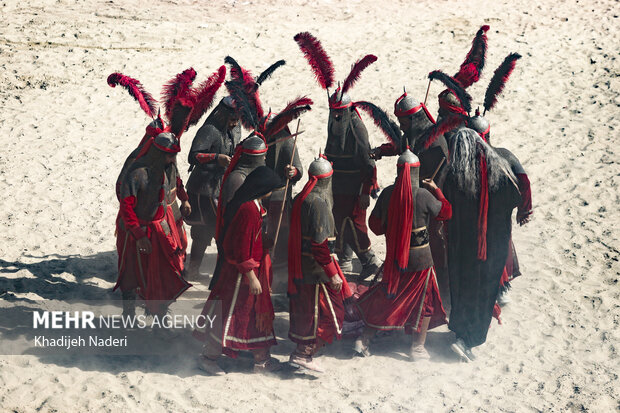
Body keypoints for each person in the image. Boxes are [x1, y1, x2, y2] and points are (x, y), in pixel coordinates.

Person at [353, 149, 451, 360]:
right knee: (426, 303)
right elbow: (446, 212)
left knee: (388, 299)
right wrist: (437, 191)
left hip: (395, 260)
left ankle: (364, 339)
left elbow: (375, 226)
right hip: (421, 261)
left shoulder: (388, 193)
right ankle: (417, 348)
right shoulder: (424, 195)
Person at [193, 166, 283, 375]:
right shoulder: (248, 211)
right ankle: (208, 357)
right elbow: (240, 248)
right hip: (240, 277)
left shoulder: (255, 207)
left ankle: (262, 359)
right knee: (231, 315)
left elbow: (252, 239)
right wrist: (251, 277)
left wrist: (264, 242)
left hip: (253, 272)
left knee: (256, 315)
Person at [442, 128, 521, 361]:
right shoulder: (502, 169)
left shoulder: (455, 175)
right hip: (493, 244)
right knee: (483, 292)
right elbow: (516, 198)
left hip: (462, 246)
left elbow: (446, 208)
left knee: (464, 288)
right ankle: (467, 340)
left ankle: (461, 332)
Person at [114, 132, 192, 316]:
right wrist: (138, 235)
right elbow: (126, 207)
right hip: (135, 232)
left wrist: (185, 199)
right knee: (131, 275)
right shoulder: (137, 173)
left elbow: (177, 183)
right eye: (170, 155)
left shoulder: (168, 167)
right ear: (158, 153)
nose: (173, 159)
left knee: (162, 273)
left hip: (159, 228)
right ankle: (129, 315)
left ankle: (158, 313)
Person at [287, 156, 352, 372]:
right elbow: (320, 245)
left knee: (308, 311)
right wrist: (333, 273)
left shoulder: (301, 197)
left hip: (305, 267)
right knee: (329, 313)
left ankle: (302, 352)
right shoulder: (318, 203)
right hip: (317, 271)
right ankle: (304, 354)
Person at [325, 88, 381, 278]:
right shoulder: (332, 123)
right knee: (339, 223)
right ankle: (345, 260)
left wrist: (366, 190)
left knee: (356, 226)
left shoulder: (357, 128)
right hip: (337, 186)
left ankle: (370, 261)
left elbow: (368, 163)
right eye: (334, 111)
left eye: (340, 111)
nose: (337, 115)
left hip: (355, 188)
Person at [184, 96, 241, 279]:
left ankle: (220, 272)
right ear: (224, 115)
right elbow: (193, 156)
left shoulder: (235, 129)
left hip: (222, 187)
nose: (235, 123)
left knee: (220, 230)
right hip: (204, 189)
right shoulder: (209, 130)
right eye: (232, 119)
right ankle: (194, 269)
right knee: (205, 231)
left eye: (237, 119)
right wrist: (216, 158)